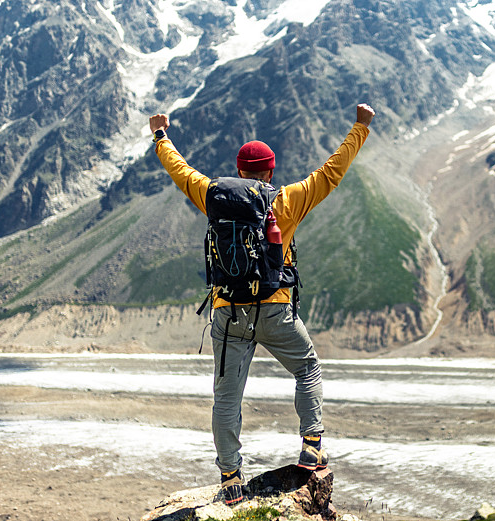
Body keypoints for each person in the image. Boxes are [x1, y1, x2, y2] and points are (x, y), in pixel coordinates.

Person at [148, 103, 375, 505]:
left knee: (227, 396)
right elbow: (331, 172)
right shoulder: (287, 201)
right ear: (270, 172)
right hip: (275, 310)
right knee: (306, 367)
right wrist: (360, 127)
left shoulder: (213, 195)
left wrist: (161, 137)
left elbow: (180, 172)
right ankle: (311, 445)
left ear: (239, 171)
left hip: (228, 312)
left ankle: (230, 476)